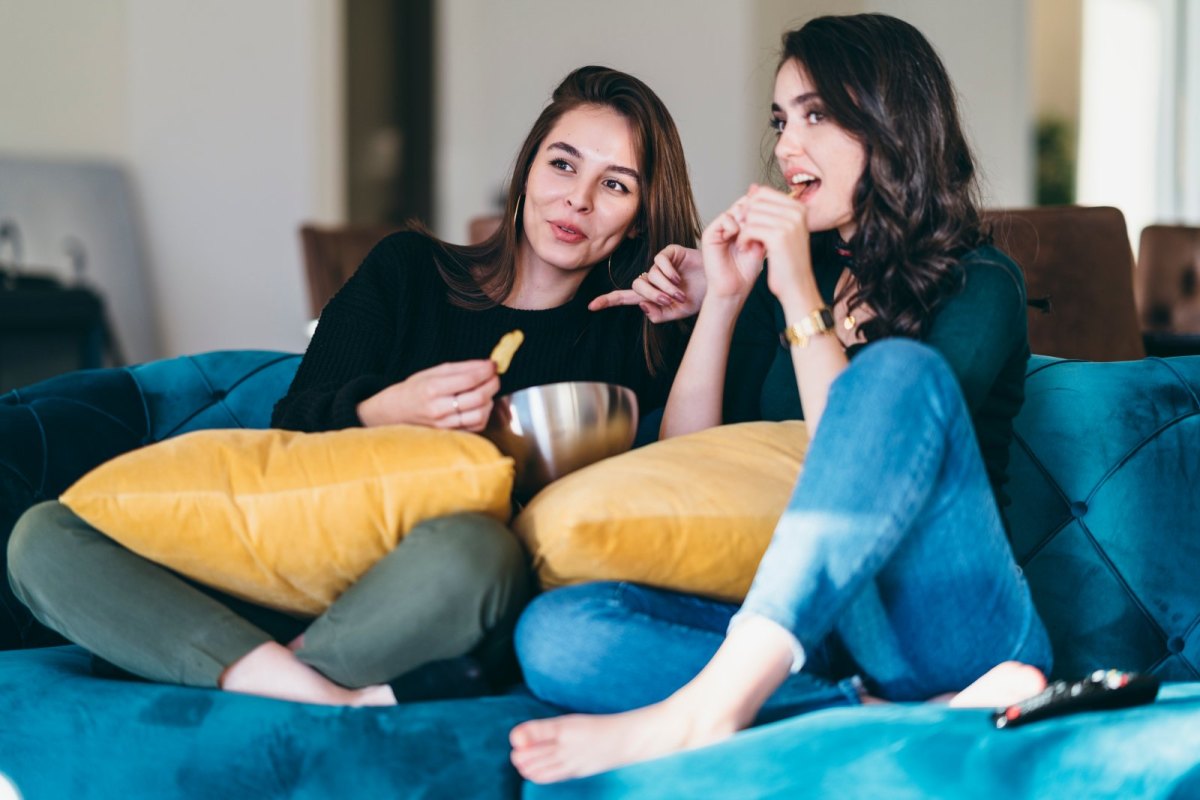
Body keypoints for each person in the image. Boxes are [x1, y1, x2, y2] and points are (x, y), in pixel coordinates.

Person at [7, 65, 701, 707]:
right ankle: (317, 692)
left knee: (481, 555)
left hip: (415, 594)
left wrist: (721, 301)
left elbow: (692, 470)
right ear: (527, 169)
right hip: (281, 559)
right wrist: (386, 410)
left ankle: (238, 668)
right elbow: (289, 432)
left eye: (615, 184)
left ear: (638, 216)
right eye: (562, 163)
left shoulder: (633, 330)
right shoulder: (409, 269)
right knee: (43, 537)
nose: (576, 199)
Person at [509, 15, 1053, 783]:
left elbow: (858, 470)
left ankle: (717, 706)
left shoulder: (981, 282)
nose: (786, 146)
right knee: (557, 634)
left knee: (893, 375)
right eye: (781, 119)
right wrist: (726, 301)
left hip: (947, 619)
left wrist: (797, 290)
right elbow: (688, 463)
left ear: (891, 125)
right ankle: (877, 713)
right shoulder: (786, 279)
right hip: (817, 638)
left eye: (816, 115)